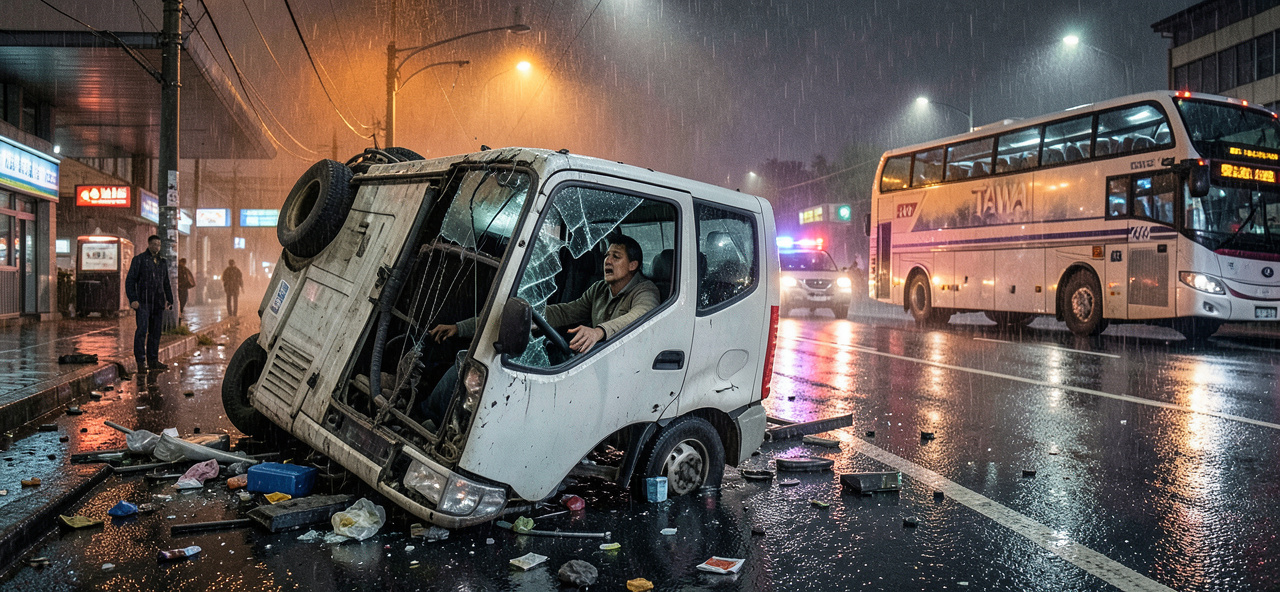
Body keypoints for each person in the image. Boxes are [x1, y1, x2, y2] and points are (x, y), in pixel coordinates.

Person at [422, 235, 660, 424]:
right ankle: (432, 418)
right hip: (586, 365)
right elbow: (562, 312)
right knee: (475, 364)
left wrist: (598, 332)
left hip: (616, 378)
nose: (607, 260)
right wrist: (525, 318)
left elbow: (640, 316)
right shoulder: (599, 289)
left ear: (633, 265)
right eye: (607, 255)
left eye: (616, 257)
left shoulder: (646, 291)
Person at [124, 235, 174, 373]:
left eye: (158, 244)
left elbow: (166, 283)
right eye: (154, 244)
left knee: (155, 333)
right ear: (149, 244)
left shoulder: (162, 262)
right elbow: (130, 281)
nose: (156, 247)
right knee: (142, 331)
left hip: (157, 303)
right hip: (143, 302)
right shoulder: (139, 260)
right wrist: (133, 299)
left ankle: (153, 360)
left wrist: (170, 300)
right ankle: (140, 361)